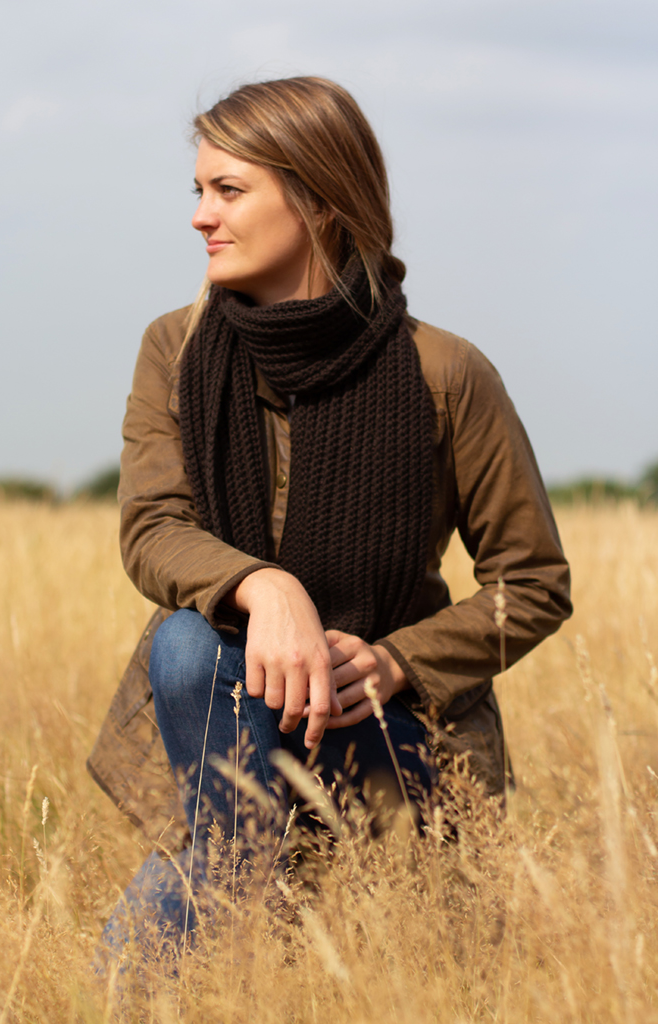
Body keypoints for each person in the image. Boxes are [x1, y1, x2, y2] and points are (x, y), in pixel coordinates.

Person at [87, 76, 572, 964]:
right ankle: (243, 887)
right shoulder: (176, 349)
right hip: (236, 714)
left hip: (387, 730)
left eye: (228, 190)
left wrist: (395, 662)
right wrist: (265, 587)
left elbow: (533, 582)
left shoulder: (445, 372)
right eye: (198, 190)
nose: (200, 216)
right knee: (189, 645)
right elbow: (152, 527)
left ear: (318, 200)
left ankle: (253, 911)